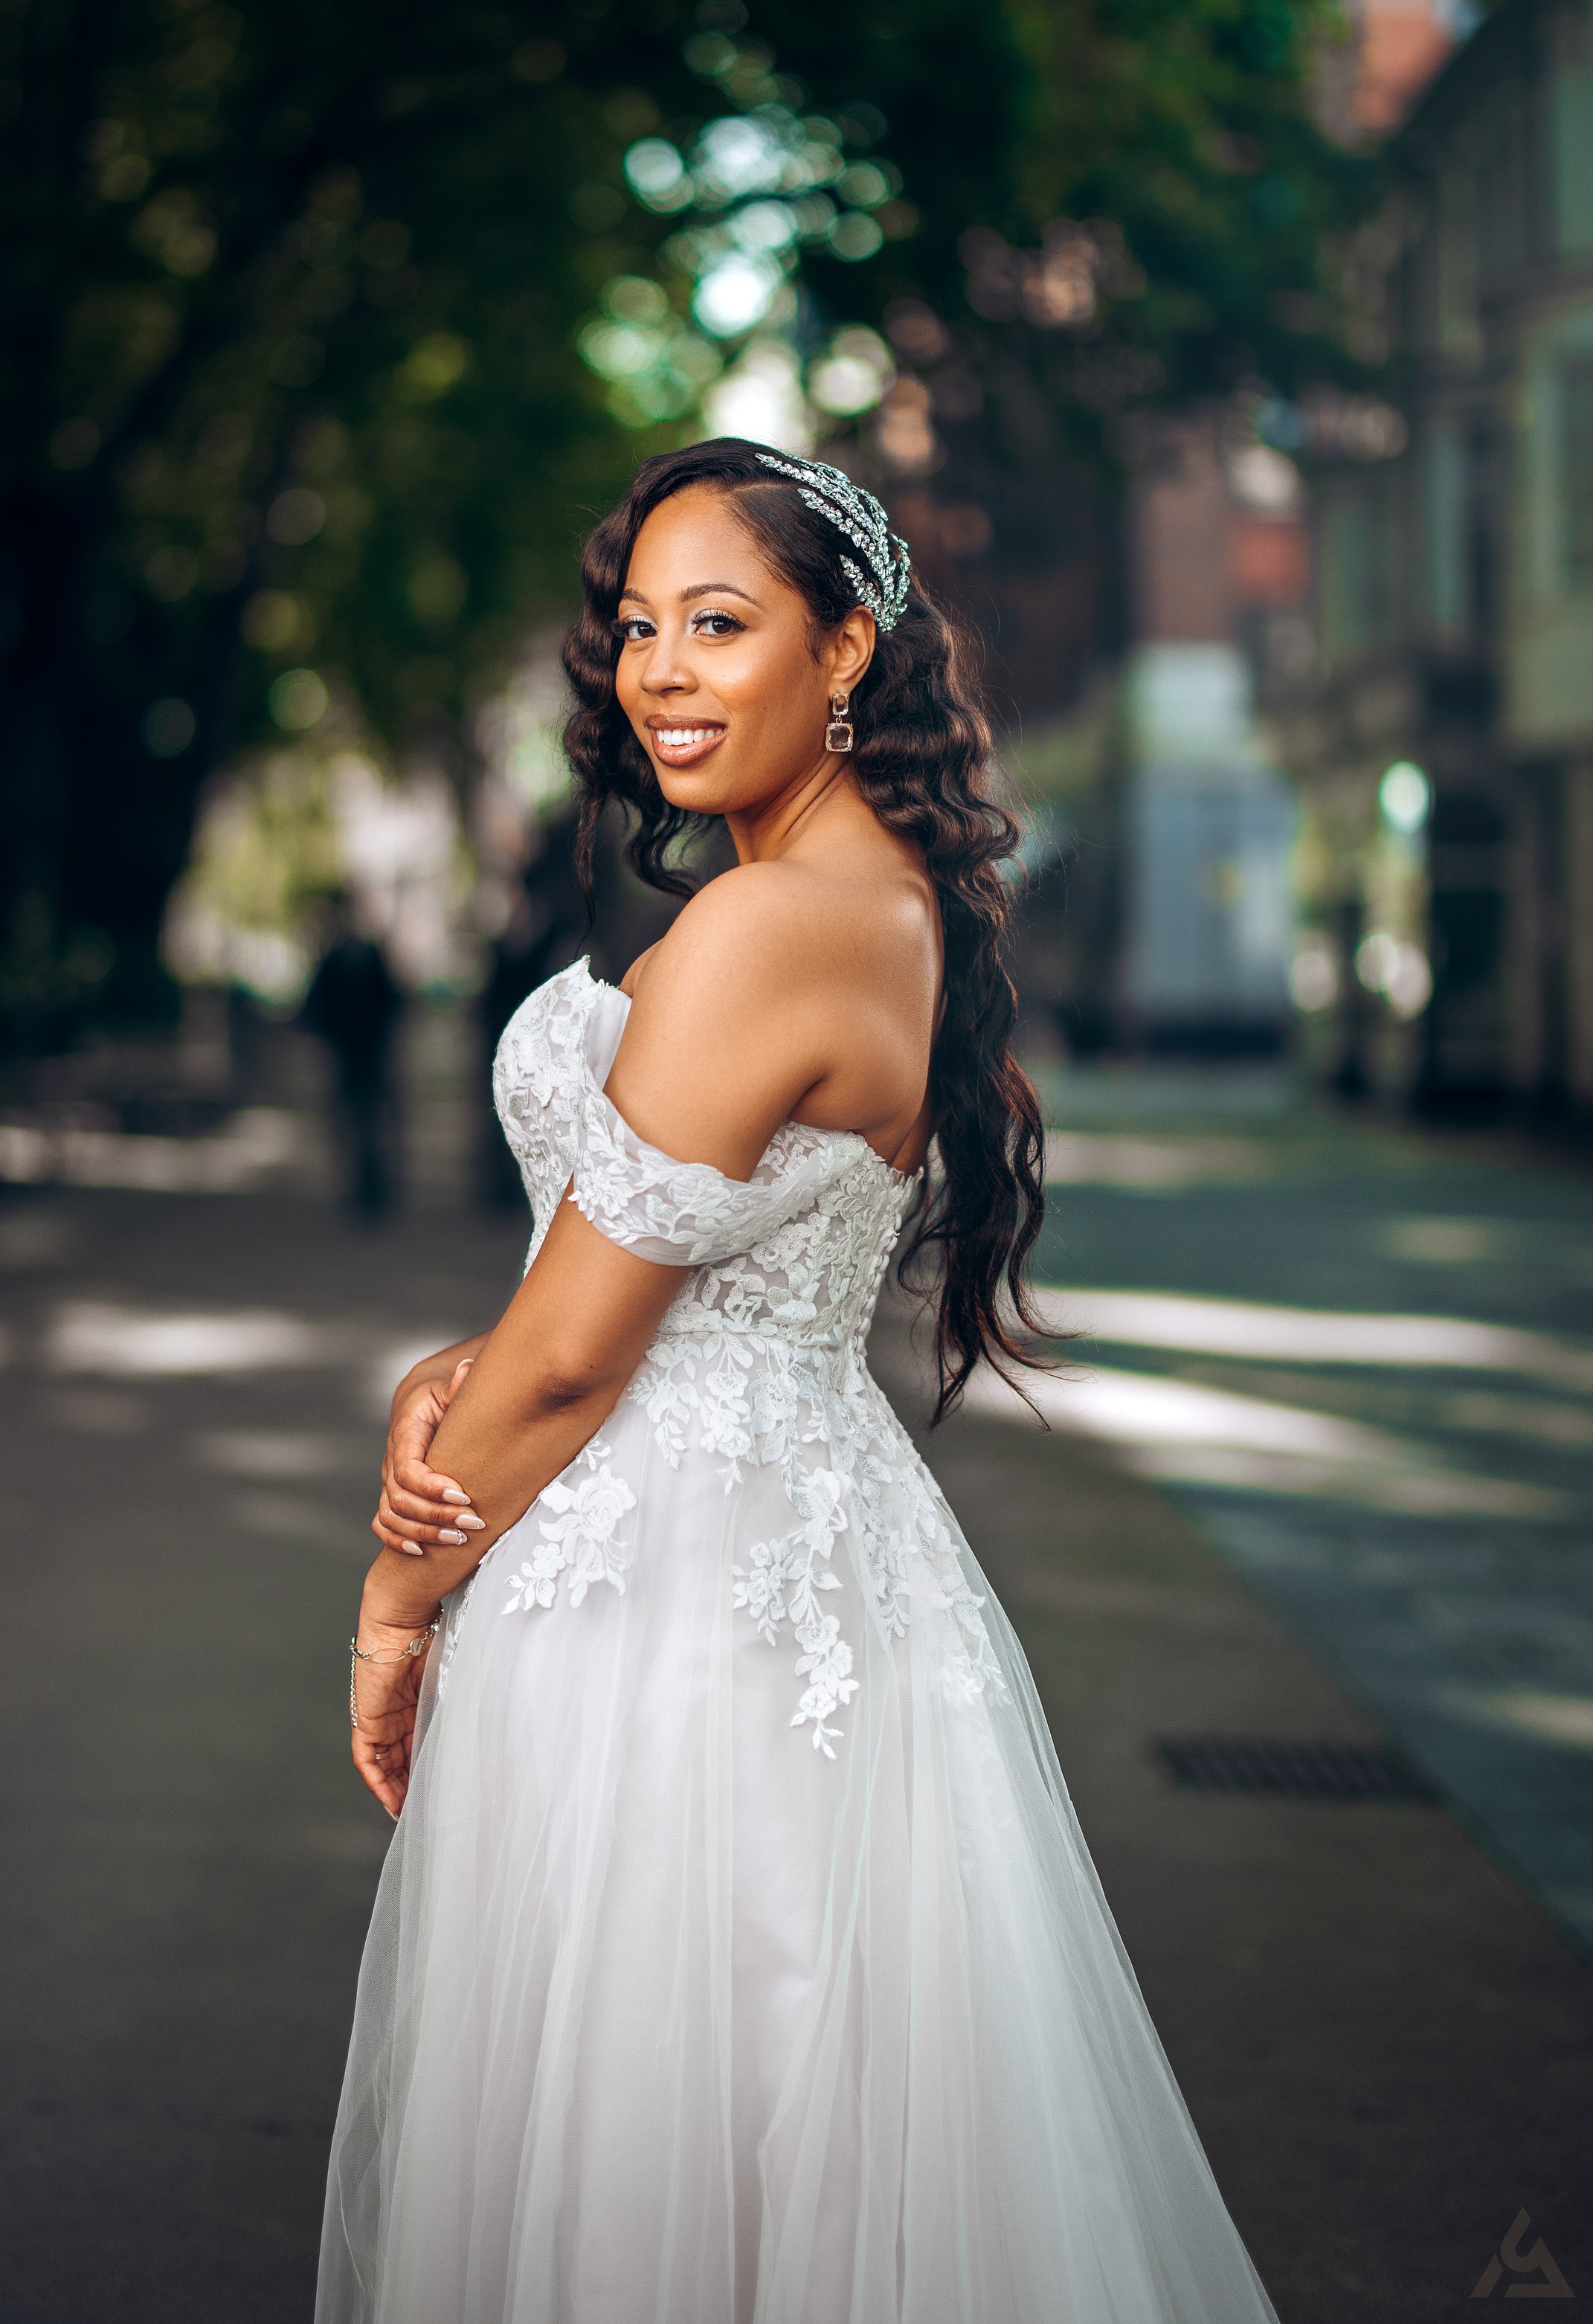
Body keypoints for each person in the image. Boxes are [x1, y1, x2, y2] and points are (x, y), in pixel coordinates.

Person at [317, 441, 1278, 2323]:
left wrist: (392, 1602)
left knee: (662, 2129)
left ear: (844, 651)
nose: (661, 670)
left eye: (720, 624)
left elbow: (587, 1349)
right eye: (638, 630)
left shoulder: (762, 926)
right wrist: (474, 1350)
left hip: (676, 1603)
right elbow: (650, 1267)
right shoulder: (861, 898)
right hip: (773, 1545)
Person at [303, 903, 403, 1217]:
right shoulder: (340, 960)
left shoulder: (366, 957)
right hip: (350, 1057)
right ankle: (365, 1187)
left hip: (370, 1055)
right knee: (356, 1123)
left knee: (370, 1122)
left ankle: (373, 1187)